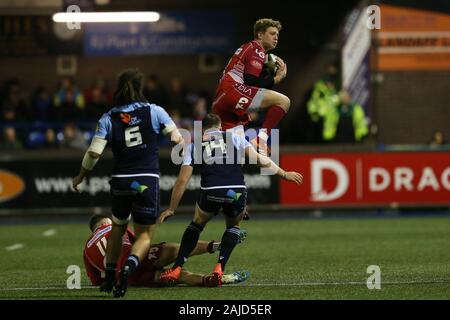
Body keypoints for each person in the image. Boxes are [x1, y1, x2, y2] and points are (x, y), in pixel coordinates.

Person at [72, 68, 183, 298]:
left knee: (117, 228)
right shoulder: (155, 111)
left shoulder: (107, 117)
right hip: (146, 179)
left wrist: (81, 176)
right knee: (144, 236)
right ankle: (129, 270)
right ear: (140, 88)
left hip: (121, 181)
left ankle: (110, 275)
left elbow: (93, 154)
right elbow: (176, 138)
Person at [159, 114, 303, 286]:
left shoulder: (194, 145)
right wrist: (284, 174)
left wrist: (171, 209)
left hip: (210, 192)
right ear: (220, 127)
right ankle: (219, 268)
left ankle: (177, 268)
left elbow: (182, 180)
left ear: (203, 129)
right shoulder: (233, 137)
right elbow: (258, 159)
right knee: (233, 226)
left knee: (196, 224)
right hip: (236, 192)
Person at [84, 214, 250, 288]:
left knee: (179, 276)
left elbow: (96, 282)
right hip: (135, 261)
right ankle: (217, 246)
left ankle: (209, 280)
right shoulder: (115, 227)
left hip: (130, 278)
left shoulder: (86, 250)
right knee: (179, 249)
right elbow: (140, 246)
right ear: (103, 223)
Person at [212, 18, 289, 154]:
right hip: (233, 91)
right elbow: (251, 81)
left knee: (237, 152)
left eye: (277, 35)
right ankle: (261, 140)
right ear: (260, 35)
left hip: (221, 100)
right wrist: (277, 78)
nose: (276, 38)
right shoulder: (256, 49)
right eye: (272, 34)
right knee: (283, 101)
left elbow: (250, 81)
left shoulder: (247, 48)